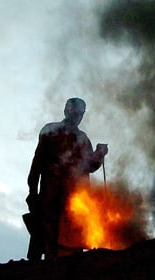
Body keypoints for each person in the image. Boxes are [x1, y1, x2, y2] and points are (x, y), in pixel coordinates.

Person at [26, 98, 108, 260]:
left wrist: (99, 153)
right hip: (51, 191)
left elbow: (89, 166)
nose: (77, 115)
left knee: (71, 238)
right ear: (66, 110)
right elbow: (37, 162)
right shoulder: (50, 131)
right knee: (47, 232)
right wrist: (32, 190)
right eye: (74, 110)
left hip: (74, 196)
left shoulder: (83, 139)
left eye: (81, 113)